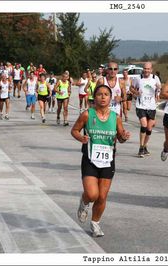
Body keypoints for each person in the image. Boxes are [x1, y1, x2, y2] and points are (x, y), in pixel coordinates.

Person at [71, 84, 130, 237]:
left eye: (106, 94)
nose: (103, 97)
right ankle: (84, 202)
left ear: (110, 98)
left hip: (108, 161)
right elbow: (74, 130)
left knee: (102, 196)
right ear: (94, 97)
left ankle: (95, 223)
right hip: (90, 159)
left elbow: (120, 137)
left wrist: (123, 137)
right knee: (92, 194)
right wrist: (81, 138)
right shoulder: (87, 114)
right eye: (99, 94)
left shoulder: (115, 117)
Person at [130, 62, 161, 157]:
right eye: (145, 68)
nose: (146, 70)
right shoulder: (138, 78)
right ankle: (140, 147)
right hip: (141, 105)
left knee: (149, 128)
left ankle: (145, 146)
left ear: (151, 69)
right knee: (144, 125)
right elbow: (131, 88)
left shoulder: (155, 78)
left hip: (151, 106)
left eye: (148, 69)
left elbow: (159, 88)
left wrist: (158, 93)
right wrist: (136, 92)